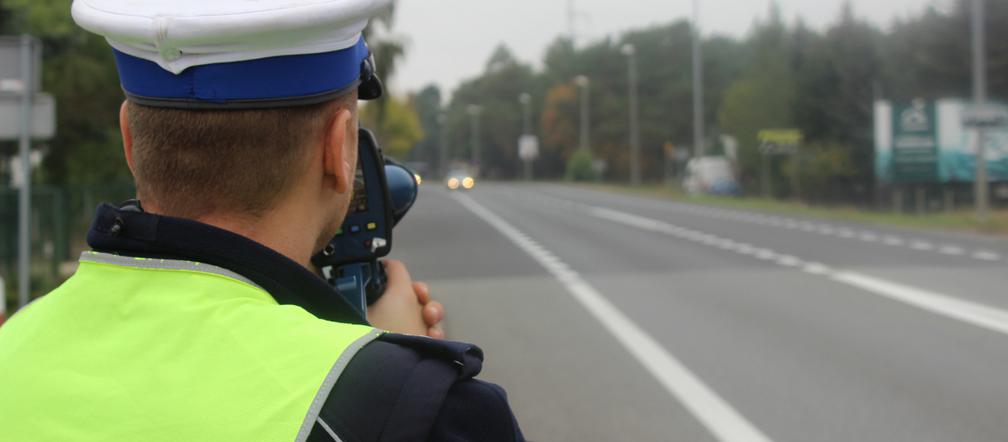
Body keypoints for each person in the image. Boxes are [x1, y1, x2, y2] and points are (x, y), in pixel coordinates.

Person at [0, 1, 525, 441]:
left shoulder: (13, 348)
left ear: (130, 143)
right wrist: (395, 380)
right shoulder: (432, 416)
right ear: (338, 150)